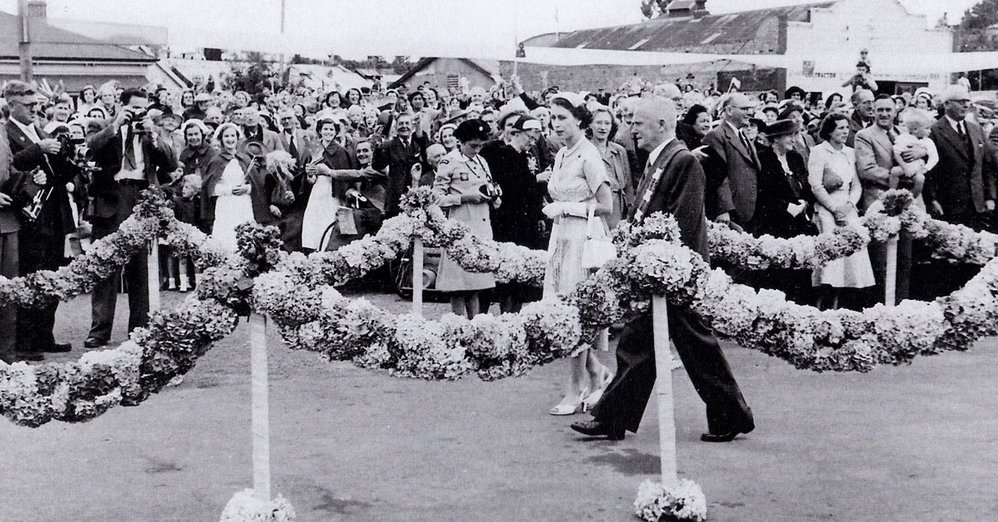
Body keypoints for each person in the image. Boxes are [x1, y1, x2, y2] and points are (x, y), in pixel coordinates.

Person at [571, 97, 754, 442]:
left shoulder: (682, 161)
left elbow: (682, 223)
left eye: (638, 123)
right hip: (655, 271)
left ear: (661, 125)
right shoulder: (661, 157)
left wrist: (660, 268)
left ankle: (731, 415)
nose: (631, 129)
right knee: (642, 347)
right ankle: (612, 418)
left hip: (673, 274)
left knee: (692, 349)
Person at [85, 88, 178, 349]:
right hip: (112, 197)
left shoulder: (151, 132)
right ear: (121, 106)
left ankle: (139, 328)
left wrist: (152, 135)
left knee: (140, 267)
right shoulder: (103, 125)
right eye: (134, 108)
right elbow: (91, 149)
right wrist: (116, 124)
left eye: (143, 109)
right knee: (106, 266)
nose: (138, 113)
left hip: (141, 197)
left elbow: (170, 164)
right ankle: (99, 330)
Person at [540, 92, 613, 416]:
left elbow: (608, 206)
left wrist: (568, 207)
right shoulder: (562, 155)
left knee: (575, 316)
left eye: (562, 118)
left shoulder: (589, 156)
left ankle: (575, 388)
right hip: (562, 239)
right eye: (552, 118)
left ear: (579, 121)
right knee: (562, 312)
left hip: (583, 241)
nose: (555, 124)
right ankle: (597, 374)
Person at [5, 81, 81, 359]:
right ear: (11, 104)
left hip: (53, 213)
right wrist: (39, 149)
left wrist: (67, 157)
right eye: (28, 105)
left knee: (51, 277)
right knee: (30, 276)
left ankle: (44, 334)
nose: (35, 109)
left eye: (37, 104)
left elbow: (56, 172)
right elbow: (10, 164)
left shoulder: (38, 129)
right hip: (29, 216)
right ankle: (25, 342)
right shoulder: (7, 132)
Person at [854, 96, 924, 305]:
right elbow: (867, 170)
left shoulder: (901, 134)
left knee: (904, 259)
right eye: (880, 110)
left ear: (896, 112)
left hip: (904, 204)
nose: (884, 114)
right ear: (873, 112)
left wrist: (923, 152)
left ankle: (900, 309)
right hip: (879, 201)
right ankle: (881, 311)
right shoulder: (864, 135)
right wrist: (900, 176)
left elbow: (919, 157)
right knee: (882, 261)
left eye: (888, 110)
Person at [432, 119, 498, 318]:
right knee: (459, 285)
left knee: (476, 284)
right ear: (460, 141)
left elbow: (488, 185)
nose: (477, 150)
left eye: (480, 146)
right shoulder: (450, 161)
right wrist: (464, 198)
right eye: (473, 146)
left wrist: (494, 197)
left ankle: (475, 326)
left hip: (481, 225)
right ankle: (458, 326)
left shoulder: (481, 161)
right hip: (460, 226)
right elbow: (436, 197)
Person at [480, 115, 546, 313]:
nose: (532, 142)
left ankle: (514, 315)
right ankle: (507, 315)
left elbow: (533, 192)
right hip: (508, 222)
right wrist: (535, 179)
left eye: (535, 139)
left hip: (526, 222)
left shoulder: (529, 156)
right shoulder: (503, 154)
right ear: (517, 133)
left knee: (522, 274)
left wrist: (538, 216)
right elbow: (511, 186)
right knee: (508, 273)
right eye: (530, 137)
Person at [808, 114, 875, 309]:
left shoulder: (851, 153)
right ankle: (823, 307)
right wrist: (834, 209)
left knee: (852, 259)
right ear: (829, 131)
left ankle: (843, 307)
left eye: (847, 128)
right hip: (828, 209)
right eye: (840, 128)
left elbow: (857, 186)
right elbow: (816, 185)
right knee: (831, 262)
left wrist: (849, 206)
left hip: (847, 208)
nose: (845, 132)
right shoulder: (818, 152)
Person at [925, 84, 995, 230]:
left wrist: (990, 196)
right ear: (947, 104)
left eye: (967, 101)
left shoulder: (976, 129)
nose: (965, 105)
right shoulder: (935, 131)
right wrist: (931, 199)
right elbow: (930, 170)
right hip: (949, 203)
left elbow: (985, 165)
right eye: (960, 101)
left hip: (976, 203)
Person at [702, 92, 760, 229]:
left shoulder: (742, 134)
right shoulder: (716, 135)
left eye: (749, 109)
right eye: (744, 109)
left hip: (749, 208)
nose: (749, 113)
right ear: (729, 110)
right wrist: (723, 208)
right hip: (732, 210)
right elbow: (718, 175)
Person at [202, 123, 255, 252]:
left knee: (246, 236)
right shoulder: (216, 160)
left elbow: (256, 184)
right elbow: (210, 188)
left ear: (237, 138)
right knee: (227, 237)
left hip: (243, 202)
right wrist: (229, 190)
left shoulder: (245, 158)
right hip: (226, 204)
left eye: (232, 136)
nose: (230, 139)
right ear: (221, 139)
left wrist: (247, 189)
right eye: (226, 136)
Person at [372, 112, 426, 217]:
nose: (404, 126)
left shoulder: (418, 143)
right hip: (395, 197)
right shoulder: (389, 145)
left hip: (416, 193)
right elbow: (378, 165)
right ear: (396, 127)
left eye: (407, 123)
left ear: (412, 126)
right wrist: (377, 145)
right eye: (401, 124)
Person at [589, 105, 633, 229]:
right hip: (599, 209)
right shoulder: (587, 150)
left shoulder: (619, 151)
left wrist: (630, 208)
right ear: (590, 125)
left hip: (619, 208)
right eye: (598, 123)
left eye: (607, 123)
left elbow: (628, 183)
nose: (603, 127)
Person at [0, 123, 22, 363]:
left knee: (8, 295)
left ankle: (7, 359)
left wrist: (27, 177)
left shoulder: (1, 129)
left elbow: (9, 167)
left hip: (7, 222)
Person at [892, 109, 937, 201]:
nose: (930, 131)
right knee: (894, 171)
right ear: (916, 130)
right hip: (905, 166)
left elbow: (934, 158)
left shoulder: (928, 142)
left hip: (918, 168)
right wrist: (904, 167)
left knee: (920, 179)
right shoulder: (904, 138)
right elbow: (896, 153)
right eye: (927, 128)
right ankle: (892, 192)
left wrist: (923, 170)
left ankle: (911, 197)